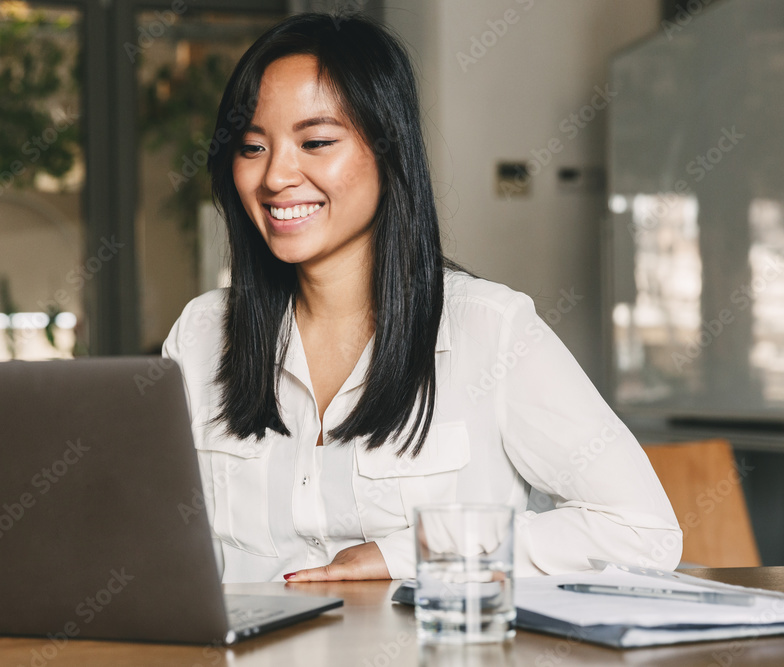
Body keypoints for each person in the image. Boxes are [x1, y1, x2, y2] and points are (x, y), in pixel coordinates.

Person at [162, 12, 681, 583]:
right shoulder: (202, 333)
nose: (276, 176)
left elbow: (641, 530)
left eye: (315, 142)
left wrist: (409, 556)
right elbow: (147, 535)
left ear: (388, 151)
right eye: (252, 147)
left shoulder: (490, 329)